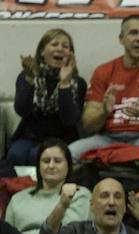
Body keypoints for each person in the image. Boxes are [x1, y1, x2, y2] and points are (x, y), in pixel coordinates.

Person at [72, 15, 139, 158]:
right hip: (107, 138)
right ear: (121, 39)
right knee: (69, 154)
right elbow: (88, 126)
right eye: (133, 33)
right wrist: (104, 111)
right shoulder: (103, 72)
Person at [10, 29, 85, 164]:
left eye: (65, 46)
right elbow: (21, 110)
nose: (60, 49)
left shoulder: (78, 83)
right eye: (54, 44)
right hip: (28, 136)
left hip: (62, 138)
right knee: (16, 155)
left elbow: (70, 120)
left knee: (37, 156)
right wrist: (29, 79)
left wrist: (65, 84)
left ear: (71, 54)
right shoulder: (27, 75)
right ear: (42, 52)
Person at [5, 140, 90, 234]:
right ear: (38, 165)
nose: (51, 166)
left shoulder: (80, 195)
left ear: (69, 165)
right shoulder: (18, 199)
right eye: (46, 161)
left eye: (57, 161)